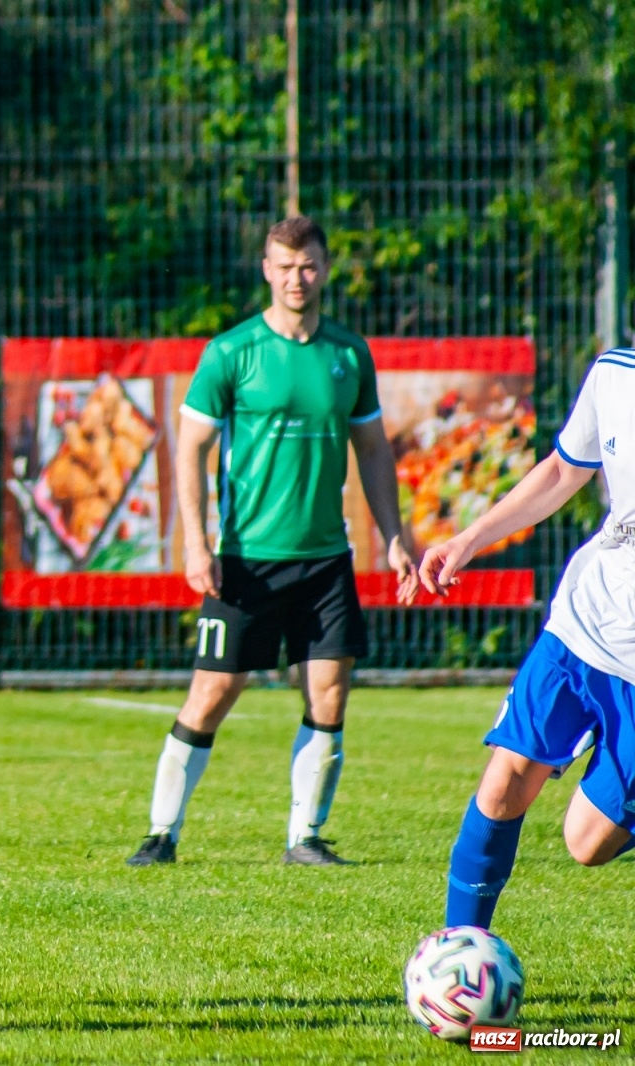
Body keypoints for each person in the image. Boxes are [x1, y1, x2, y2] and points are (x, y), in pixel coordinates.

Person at [126, 216, 418, 868]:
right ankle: (160, 834)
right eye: (284, 267)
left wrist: (396, 536)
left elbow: (371, 449)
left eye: (308, 265)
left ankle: (304, 839)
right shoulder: (232, 353)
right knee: (212, 693)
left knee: (330, 692)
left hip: (325, 559)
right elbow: (192, 448)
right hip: (245, 560)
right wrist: (196, 546)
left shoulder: (348, 354)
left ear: (324, 268)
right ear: (266, 269)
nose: (297, 278)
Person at [424, 347, 635, 929]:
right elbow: (565, 471)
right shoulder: (615, 375)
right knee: (504, 785)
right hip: (583, 624)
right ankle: (460, 952)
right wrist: (468, 540)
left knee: (586, 843)